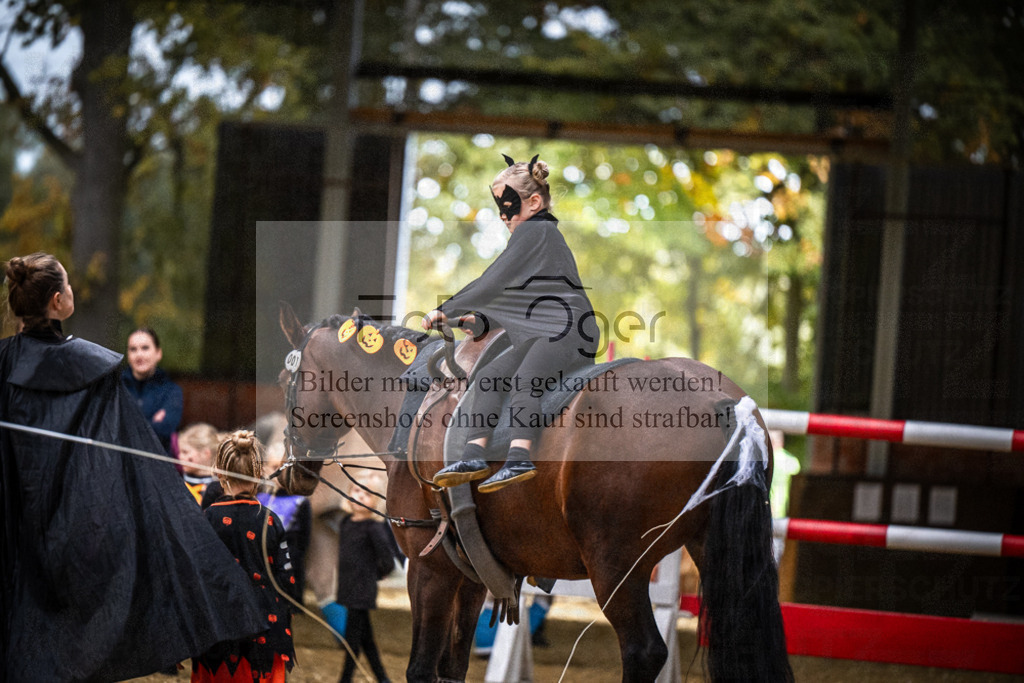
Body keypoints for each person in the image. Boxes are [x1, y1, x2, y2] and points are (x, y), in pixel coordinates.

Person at [0, 253, 265, 681]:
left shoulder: (17, 364)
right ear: (57, 301)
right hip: (74, 535)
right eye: (67, 286)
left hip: (17, 530)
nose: (71, 292)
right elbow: (130, 471)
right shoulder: (91, 369)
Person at [424, 154, 599, 492]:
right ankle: (475, 452)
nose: (504, 216)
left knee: (525, 379)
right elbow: (518, 294)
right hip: (540, 329)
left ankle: (520, 456)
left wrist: (448, 307)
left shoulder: (539, 230)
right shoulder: (533, 241)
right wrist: (479, 319)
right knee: (489, 377)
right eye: (499, 207)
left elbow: (494, 280)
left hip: (567, 328)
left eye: (508, 205)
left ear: (534, 202)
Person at [193, 430, 297, 683]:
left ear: (218, 473)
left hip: (220, 626)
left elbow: (198, 573)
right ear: (259, 474)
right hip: (267, 625)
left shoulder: (207, 519)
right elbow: (287, 578)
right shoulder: (270, 520)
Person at [335, 478, 404, 683]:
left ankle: (344, 679)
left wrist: (374, 575)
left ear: (375, 501)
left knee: (352, 641)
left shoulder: (374, 528)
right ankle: (382, 678)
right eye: (356, 490)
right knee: (366, 639)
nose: (360, 496)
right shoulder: (346, 523)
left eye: (367, 494)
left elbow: (387, 561)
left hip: (362, 590)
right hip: (347, 587)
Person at [122, 326, 183, 455]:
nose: (139, 354)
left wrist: (127, 426)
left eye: (145, 348)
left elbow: (164, 430)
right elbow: (109, 428)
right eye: (133, 349)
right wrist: (152, 423)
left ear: (158, 353)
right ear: (128, 355)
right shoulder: (116, 388)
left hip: (157, 465)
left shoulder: (172, 392)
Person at [178, 422, 221, 504]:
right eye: (179, 452)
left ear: (206, 454)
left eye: (185, 452)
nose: (180, 456)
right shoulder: (177, 483)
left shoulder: (219, 489)